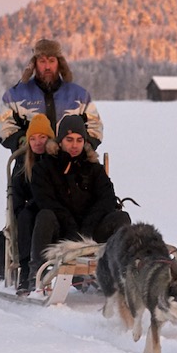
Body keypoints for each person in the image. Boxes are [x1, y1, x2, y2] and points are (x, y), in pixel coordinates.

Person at [23, 115, 130, 295]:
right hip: (61, 231)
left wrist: (87, 227)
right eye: (69, 140)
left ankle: (122, 276)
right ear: (60, 141)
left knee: (121, 217)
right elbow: (46, 200)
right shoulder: (44, 168)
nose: (74, 145)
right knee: (45, 215)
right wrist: (72, 228)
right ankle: (37, 275)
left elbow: (107, 198)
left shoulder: (94, 168)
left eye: (79, 140)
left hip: (91, 231)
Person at [0, 38, 103, 153]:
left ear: (59, 63)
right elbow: (5, 127)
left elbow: (95, 127)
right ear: (34, 64)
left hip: (70, 165)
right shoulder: (15, 95)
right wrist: (24, 142)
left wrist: (83, 146)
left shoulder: (79, 95)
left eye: (51, 61)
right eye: (42, 61)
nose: (47, 67)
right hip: (29, 165)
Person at [0, 113, 54, 286]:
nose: (38, 142)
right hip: (28, 215)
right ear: (27, 140)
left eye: (43, 137)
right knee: (9, 232)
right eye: (33, 138)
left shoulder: (56, 161)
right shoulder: (21, 165)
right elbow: (16, 200)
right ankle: (6, 272)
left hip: (51, 214)